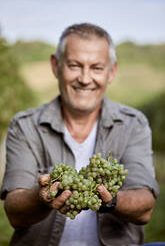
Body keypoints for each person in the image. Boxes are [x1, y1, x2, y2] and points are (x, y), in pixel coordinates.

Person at [0, 23, 159, 246]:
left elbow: (145, 208)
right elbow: (15, 213)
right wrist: (40, 196)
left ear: (111, 72)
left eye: (96, 68)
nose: (85, 79)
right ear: (56, 66)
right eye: (74, 65)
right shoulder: (25, 126)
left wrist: (111, 200)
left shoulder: (133, 124)